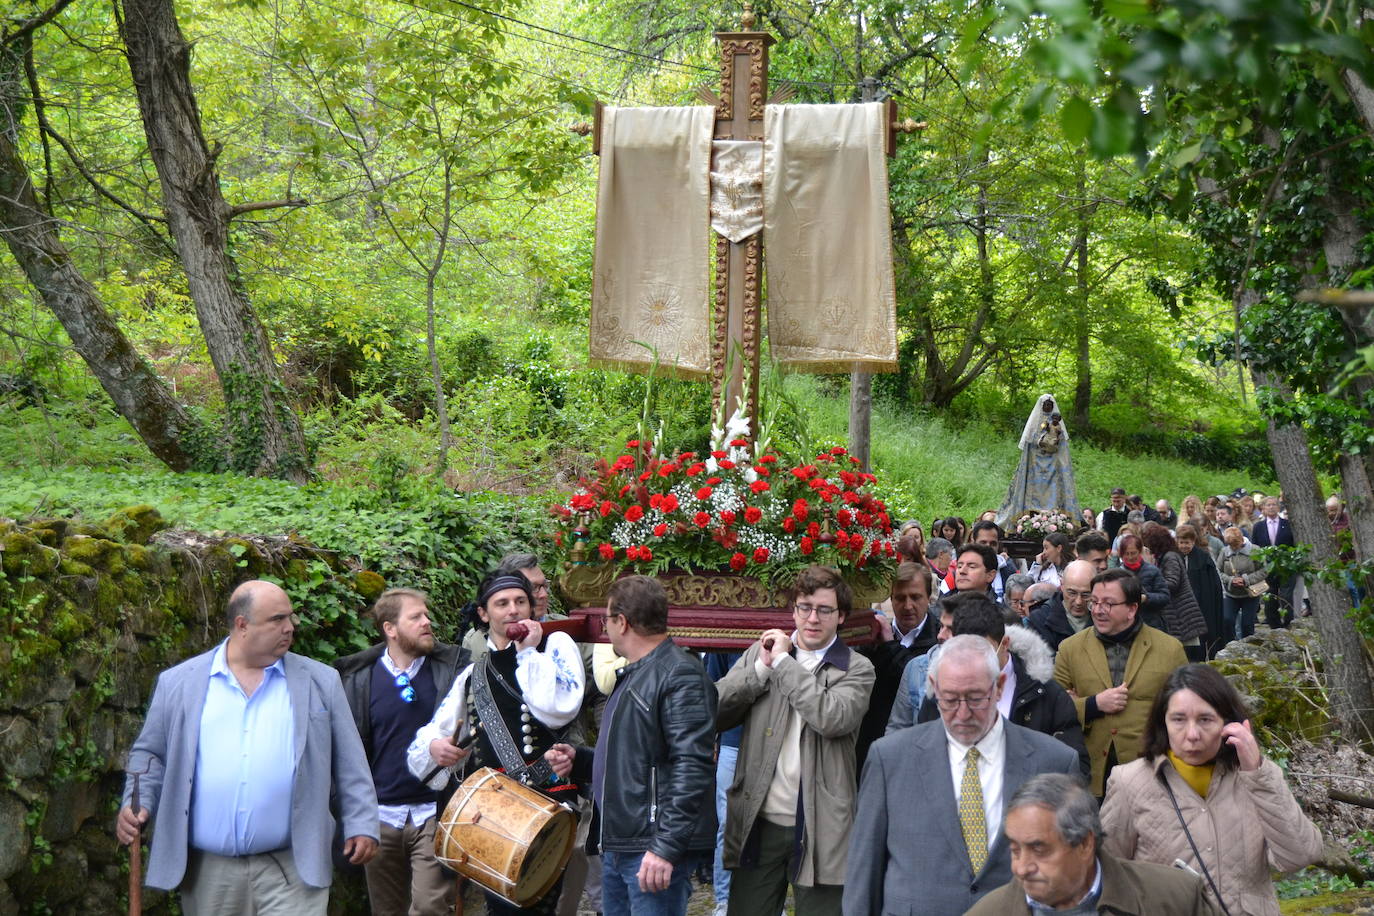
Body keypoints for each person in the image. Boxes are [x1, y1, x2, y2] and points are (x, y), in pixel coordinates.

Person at [116, 580, 379, 912]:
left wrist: (361, 823)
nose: (289, 627)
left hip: (293, 869)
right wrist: (136, 801)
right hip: (210, 873)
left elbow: (350, 762)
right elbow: (150, 753)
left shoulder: (320, 681)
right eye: (277, 619)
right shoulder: (179, 683)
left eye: (290, 618)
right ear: (242, 625)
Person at [844, 636, 1080, 916]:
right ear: (933, 688)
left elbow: (1073, 874)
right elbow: (864, 871)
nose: (963, 713)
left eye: (975, 698)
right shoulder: (890, 758)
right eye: (951, 699)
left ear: (999, 687)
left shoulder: (1054, 761)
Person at [408, 569, 585, 916]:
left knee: (541, 906)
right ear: (484, 614)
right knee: (501, 909)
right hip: (495, 813)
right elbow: (434, 730)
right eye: (502, 604)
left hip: (550, 802)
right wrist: (435, 747)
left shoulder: (556, 646)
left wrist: (529, 652)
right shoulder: (473, 674)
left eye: (521, 602)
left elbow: (558, 710)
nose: (514, 610)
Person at [551, 576, 717, 916]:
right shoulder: (637, 674)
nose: (604, 628)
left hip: (649, 848)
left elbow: (692, 766)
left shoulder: (679, 674)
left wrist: (665, 847)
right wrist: (582, 761)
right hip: (622, 843)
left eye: (607, 619)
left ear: (622, 622)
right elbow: (640, 760)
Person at [1100, 664, 1322, 916]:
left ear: (1227, 723)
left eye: (1205, 720)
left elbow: (1301, 855)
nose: (1192, 734)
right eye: (1179, 720)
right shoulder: (1129, 782)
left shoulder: (1256, 777)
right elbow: (1107, 877)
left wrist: (1258, 773)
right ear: (1163, 723)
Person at [716, 566, 875, 916]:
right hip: (759, 821)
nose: (812, 618)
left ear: (841, 616)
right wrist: (759, 671)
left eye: (824, 609)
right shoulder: (762, 654)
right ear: (793, 611)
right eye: (804, 607)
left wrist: (784, 663)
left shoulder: (857, 668)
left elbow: (832, 717)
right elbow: (714, 711)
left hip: (824, 826)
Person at [334, 589, 467, 915]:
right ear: (390, 629)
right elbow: (345, 755)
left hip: (435, 814)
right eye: (416, 617)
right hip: (380, 819)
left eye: (426, 615)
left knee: (429, 906)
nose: (427, 622)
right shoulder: (357, 679)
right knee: (387, 911)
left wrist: (450, 747)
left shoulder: (452, 670)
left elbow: (473, 730)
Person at [966, 774, 1222, 915]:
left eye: (1039, 849)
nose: (1021, 868)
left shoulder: (1175, 899)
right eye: (1015, 850)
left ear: (1085, 844)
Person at [910, 592, 1088, 778]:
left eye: (984, 650)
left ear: (1005, 644)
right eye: (967, 651)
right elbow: (923, 760)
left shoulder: (1047, 695)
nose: (976, 661)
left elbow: (1075, 769)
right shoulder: (939, 694)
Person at [1052, 568, 1188, 798]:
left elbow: (1186, 709)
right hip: (1091, 774)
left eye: (1108, 604)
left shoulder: (1170, 649)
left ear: (1132, 609)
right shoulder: (1070, 648)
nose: (1097, 610)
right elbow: (1054, 708)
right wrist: (1094, 704)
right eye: (1093, 602)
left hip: (1150, 771)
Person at [857, 562, 938, 771]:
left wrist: (889, 645)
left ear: (929, 598)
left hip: (918, 753)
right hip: (870, 747)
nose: (908, 606)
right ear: (890, 599)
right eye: (900, 598)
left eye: (916, 597)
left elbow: (915, 681)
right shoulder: (870, 635)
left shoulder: (940, 638)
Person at [995, 394, 1082, 527]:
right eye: (1045, 405)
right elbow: (1029, 445)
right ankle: (1028, 519)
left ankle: (1056, 519)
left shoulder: (1058, 425)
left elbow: (1062, 451)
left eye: (1050, 405)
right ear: (1041, 406)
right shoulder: (1035, 425)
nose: (1047, 407)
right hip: (1034, 467)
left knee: (1053, 492)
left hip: (1053, 467)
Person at [884, 600, 955, 732]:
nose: (940, 635)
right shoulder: (916, 667)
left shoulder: (987, 675)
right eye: (941, 627)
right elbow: (897, 728)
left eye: (950, 629)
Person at [1140, 525, 1208, 661]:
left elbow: (1172, 583)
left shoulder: (1170, 557)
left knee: (1185, 657)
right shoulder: (1164, 557)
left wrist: (1150, 569)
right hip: (1175, 614)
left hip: (1180, 615)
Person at [1176, 525, 1225, 659]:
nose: (1184, 546)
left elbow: (1213, 585)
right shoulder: (1174, 557)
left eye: (1187, 543)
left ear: (1193, 541)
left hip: (1202, 605)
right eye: (1181, 542)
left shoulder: (1203, 558)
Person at [1028, 559, 1096, 654]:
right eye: (1072, 593)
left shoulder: (1103, 617)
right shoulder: (1040, 619)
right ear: (1062, 585)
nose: (1078, 602)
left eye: (1086, 595)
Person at [1250, 495, 1297, 629]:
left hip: (1286, 566)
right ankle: (1273, 624)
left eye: (1274, 504)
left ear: (1278, 507)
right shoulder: (1258, 526)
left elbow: (1294, 543)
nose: (1271, 507)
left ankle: (1288, 621)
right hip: (1267, 567)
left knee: (1287, 594)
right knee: (1270, 595)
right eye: (1268, 505)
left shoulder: (1287, 524)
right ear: (1263, 508)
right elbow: (1255, 547)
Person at [1217, 525, 1266, 641]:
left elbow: (1264, 570)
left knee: (1247, 624)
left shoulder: (1255, 550)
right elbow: (1218, 571)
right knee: (1227, 620)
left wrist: (1246, 580)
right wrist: (1230, 580)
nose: (1233, 548)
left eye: (1235, 545)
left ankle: (1248, 647)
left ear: (1241, 540)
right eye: (1230, 545)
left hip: (1250, 593)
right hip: (1231, 594)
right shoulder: (1224, 552)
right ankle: (1230, 645)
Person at [1114, 533, 1170, 631]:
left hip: (1151, 624)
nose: (1130, 557)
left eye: (1133, 553)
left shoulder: (1153, 571)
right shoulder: (1118, 574)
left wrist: (1146, 598)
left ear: (1140, 552)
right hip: (1126, 625)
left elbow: (1165, 597)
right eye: (1127, 554)